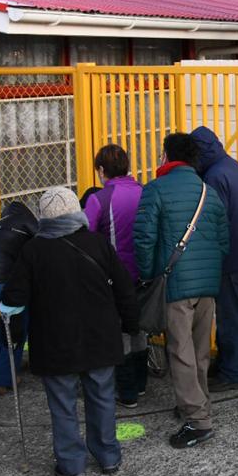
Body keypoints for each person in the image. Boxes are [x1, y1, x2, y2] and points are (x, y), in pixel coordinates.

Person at [1, 186, 137, 476]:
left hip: (55, 342)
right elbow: (125, 288)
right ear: (77, 212)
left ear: (44, 218)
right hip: (99, 336)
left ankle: (72, 464)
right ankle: (108, 456)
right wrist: (131, 323)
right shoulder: (98, 244)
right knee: (102, 396)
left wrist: (6, 308)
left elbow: (14, 296)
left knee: (62, 404)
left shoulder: (33, 250)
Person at [135, 132, 229, 450]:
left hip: (176, 282)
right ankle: (197, 402)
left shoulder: (155, 189)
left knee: (179, 350)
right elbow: (223, 240)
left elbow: (144, 239)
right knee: (200, 350)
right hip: (208, 282)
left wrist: (149, 276)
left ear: (166, 156)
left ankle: (197, 420)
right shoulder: (209, 192)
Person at [191, 126, 238, 393]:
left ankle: (233, 371)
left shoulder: (214, 176)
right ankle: (229, 363)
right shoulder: (230, 165)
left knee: (229, 316)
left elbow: (211, 221)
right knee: (232, 313)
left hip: (226, 258)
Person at [83, 144, 147, 407]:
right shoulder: (144, 191)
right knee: (139, 328)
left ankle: (127, 392)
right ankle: (141, 384)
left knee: (119, 333)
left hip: (113, 274)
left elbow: (84, 232)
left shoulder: (99, 199)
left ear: (101, 169)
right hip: (144, 272)